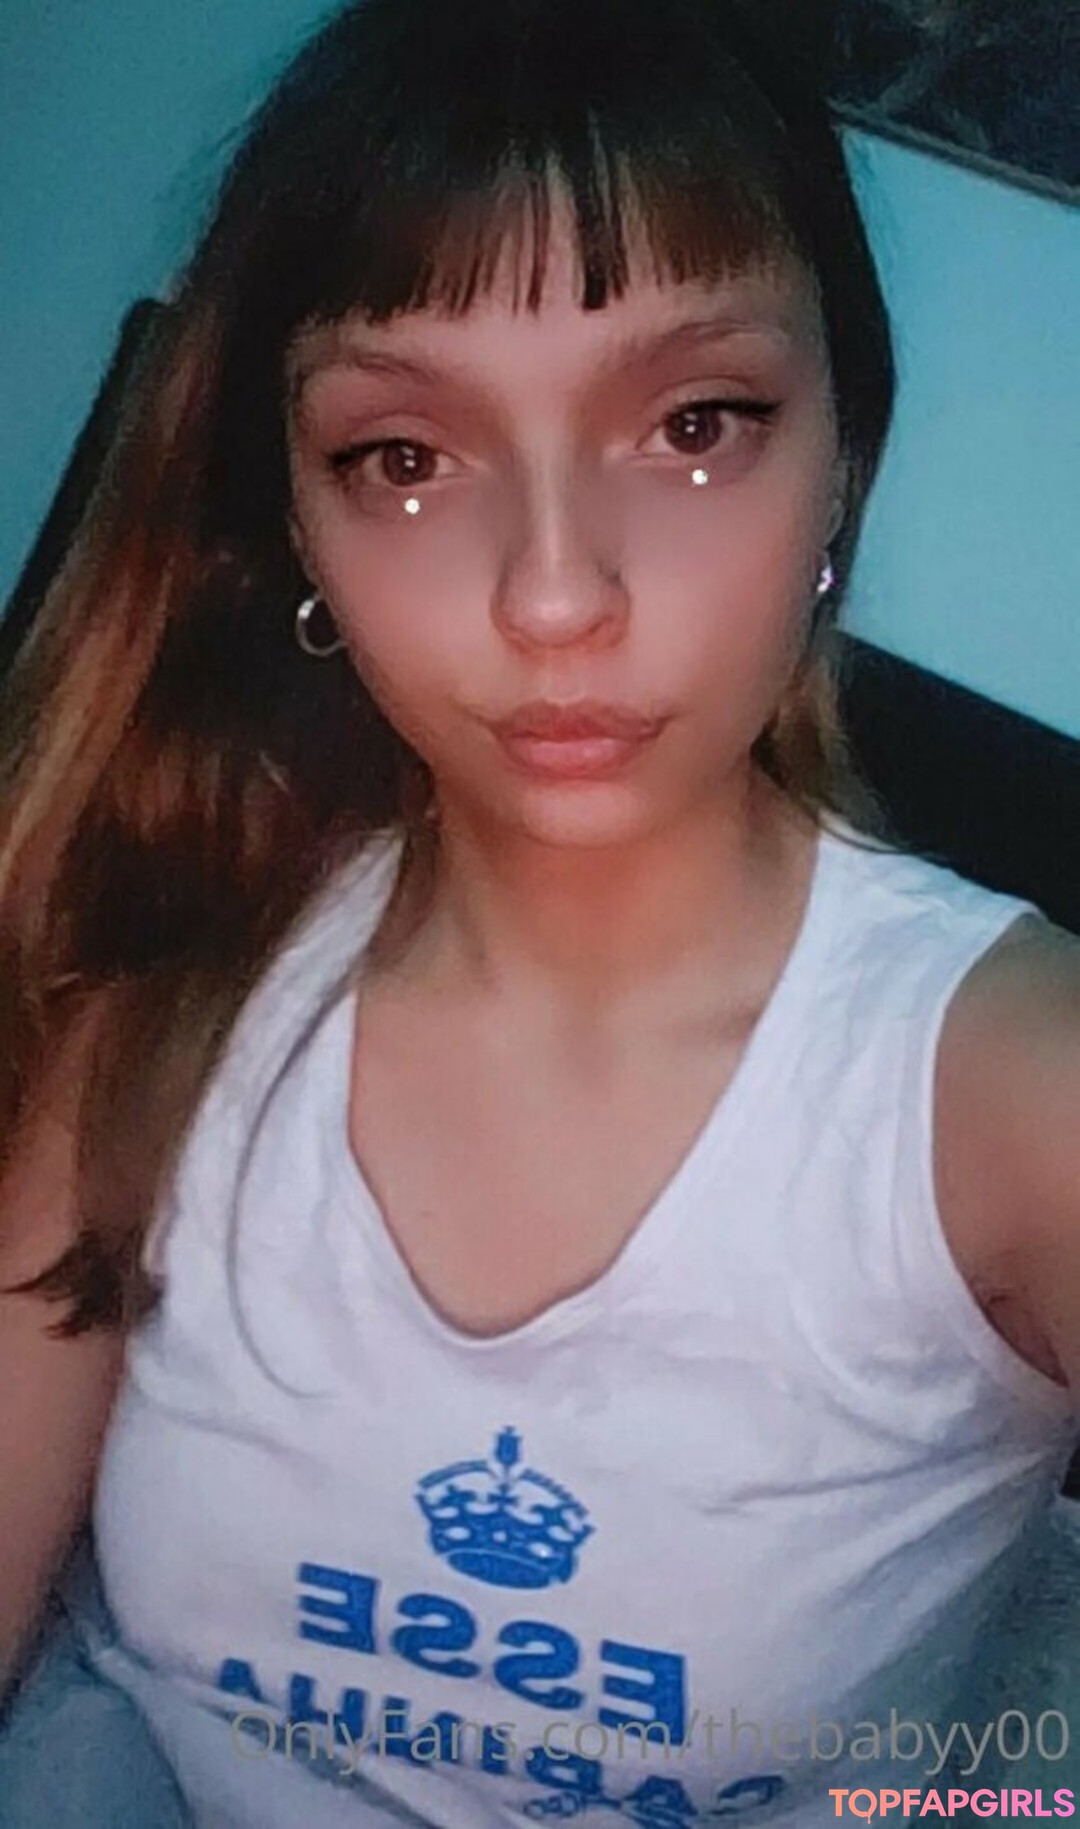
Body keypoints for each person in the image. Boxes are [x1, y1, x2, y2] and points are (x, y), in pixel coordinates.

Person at [0, 0, 1077, 1823]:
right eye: (404, 457)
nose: (555, 593)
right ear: (301, 522)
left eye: (695, 423)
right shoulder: (180, 981)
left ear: (845, 459)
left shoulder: (1008, 1092)